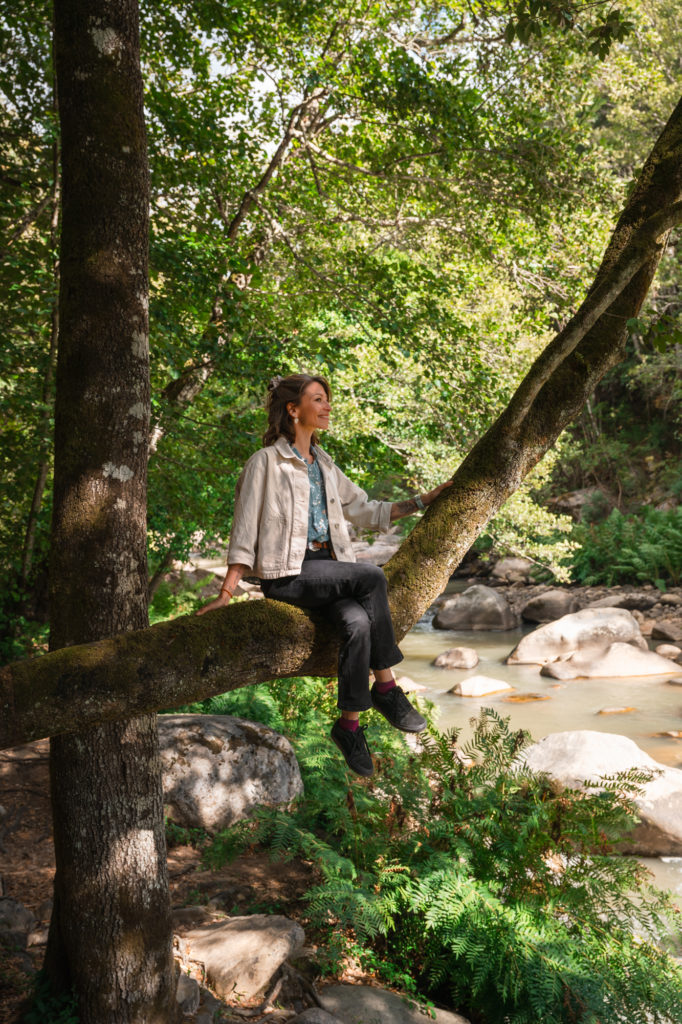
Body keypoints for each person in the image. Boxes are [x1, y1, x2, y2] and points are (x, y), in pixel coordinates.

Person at [197, 372, 452, 776]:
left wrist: (423, 500)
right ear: (293, 410)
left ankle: (349, 726)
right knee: (371, 577)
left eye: (327, 399)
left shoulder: (326, 466)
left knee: (356, 622)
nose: (328, 406)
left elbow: (368, 510)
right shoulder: (265, 463)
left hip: (329, 572)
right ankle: (386, 687)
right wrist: (226, 593)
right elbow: (243, 532)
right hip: (288, 576)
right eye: (318, 399)